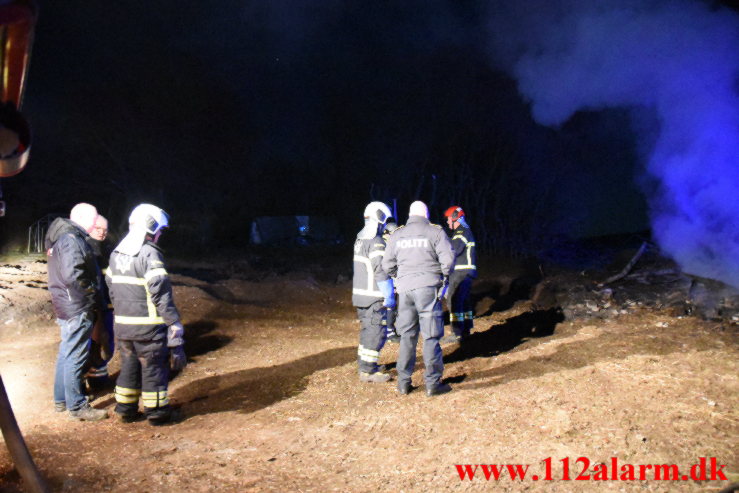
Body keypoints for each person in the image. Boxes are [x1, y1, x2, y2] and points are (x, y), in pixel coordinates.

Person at [106, 204, 187, 424]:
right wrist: (174, 322)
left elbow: (110, 286)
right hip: (148, 328)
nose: (160, 234)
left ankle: (125, 408)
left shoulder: (117, 253)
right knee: (154, 369)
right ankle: (158, 412)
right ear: (150, 228)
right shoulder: (148, 253)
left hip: (123, 326)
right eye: (159, 229)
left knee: (129, 367)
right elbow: (160, 292)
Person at [382, 200, 454, 396]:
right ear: (426, 214)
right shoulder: (435, 232)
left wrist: (401, 276)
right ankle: (433, 384)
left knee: (407, 336)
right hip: (428, 289)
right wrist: (441, 277)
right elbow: (448, 261)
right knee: (431, 336)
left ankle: (403, 383)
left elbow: (387, 265)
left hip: (405, 290)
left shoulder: (398, 234)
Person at [46, 202, 108, 421]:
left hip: (66, 303)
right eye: (94, 218)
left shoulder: (62, 238)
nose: (95, 223)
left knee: (66, 351)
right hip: (76, 305)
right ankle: (77, 405)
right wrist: (91, 294)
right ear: (84, 218)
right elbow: (74, 276)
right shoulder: (72, 240)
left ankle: (61, 399)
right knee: (76, 354)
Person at [352, 201, 395, 383]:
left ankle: (365, 365)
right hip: (373, 296)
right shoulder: (376, 242)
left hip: (360, 296)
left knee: (366, 331)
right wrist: (389, 294)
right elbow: (380, 269)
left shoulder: (360, 239)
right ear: (380, 218)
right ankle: (368, 371)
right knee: (376, 332)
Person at [84, 214, 115, 391]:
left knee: (105, 341)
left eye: (105, 229)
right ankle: (94, 381)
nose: (102, 233)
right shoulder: (86, 248)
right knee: (94, 344)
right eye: (98, 229)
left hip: (106, 302)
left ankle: (99, 378)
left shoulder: (107, 247)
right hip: (94, 304)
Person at [441, 206, 477, 343]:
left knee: (454, 300)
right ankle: (466, 329)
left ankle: (456, 333)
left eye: (449, 219)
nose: (447, 222)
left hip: (460, 272)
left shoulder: (461, 232)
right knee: (464, 301)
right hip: (467, 272)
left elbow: (453, 251)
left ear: (455, 217)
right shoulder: (466, 231)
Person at [381, 220, 400, 344]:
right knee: (390, 305)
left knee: (391, 306)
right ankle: (389, 332)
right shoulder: (384, 245)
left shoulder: (389, 244)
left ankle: (388, 330)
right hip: (386, 280)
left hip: (388, 279)